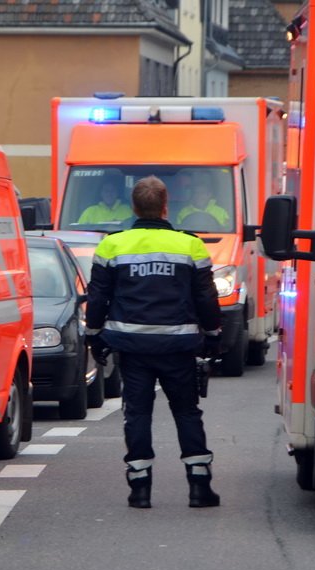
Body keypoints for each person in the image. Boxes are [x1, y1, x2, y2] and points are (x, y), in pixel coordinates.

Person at [85, 175, 223, 509]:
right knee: (187, 411)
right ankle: (199, 486)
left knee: (137, 414)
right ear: (165, 206)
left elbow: (99, 296)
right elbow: (206, 296)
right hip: (178, 346)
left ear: (133, 207)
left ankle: (140, 488)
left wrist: (94, 335)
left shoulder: (112, 245)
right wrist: (213, 334)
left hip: (132, 347)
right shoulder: (190, 245)